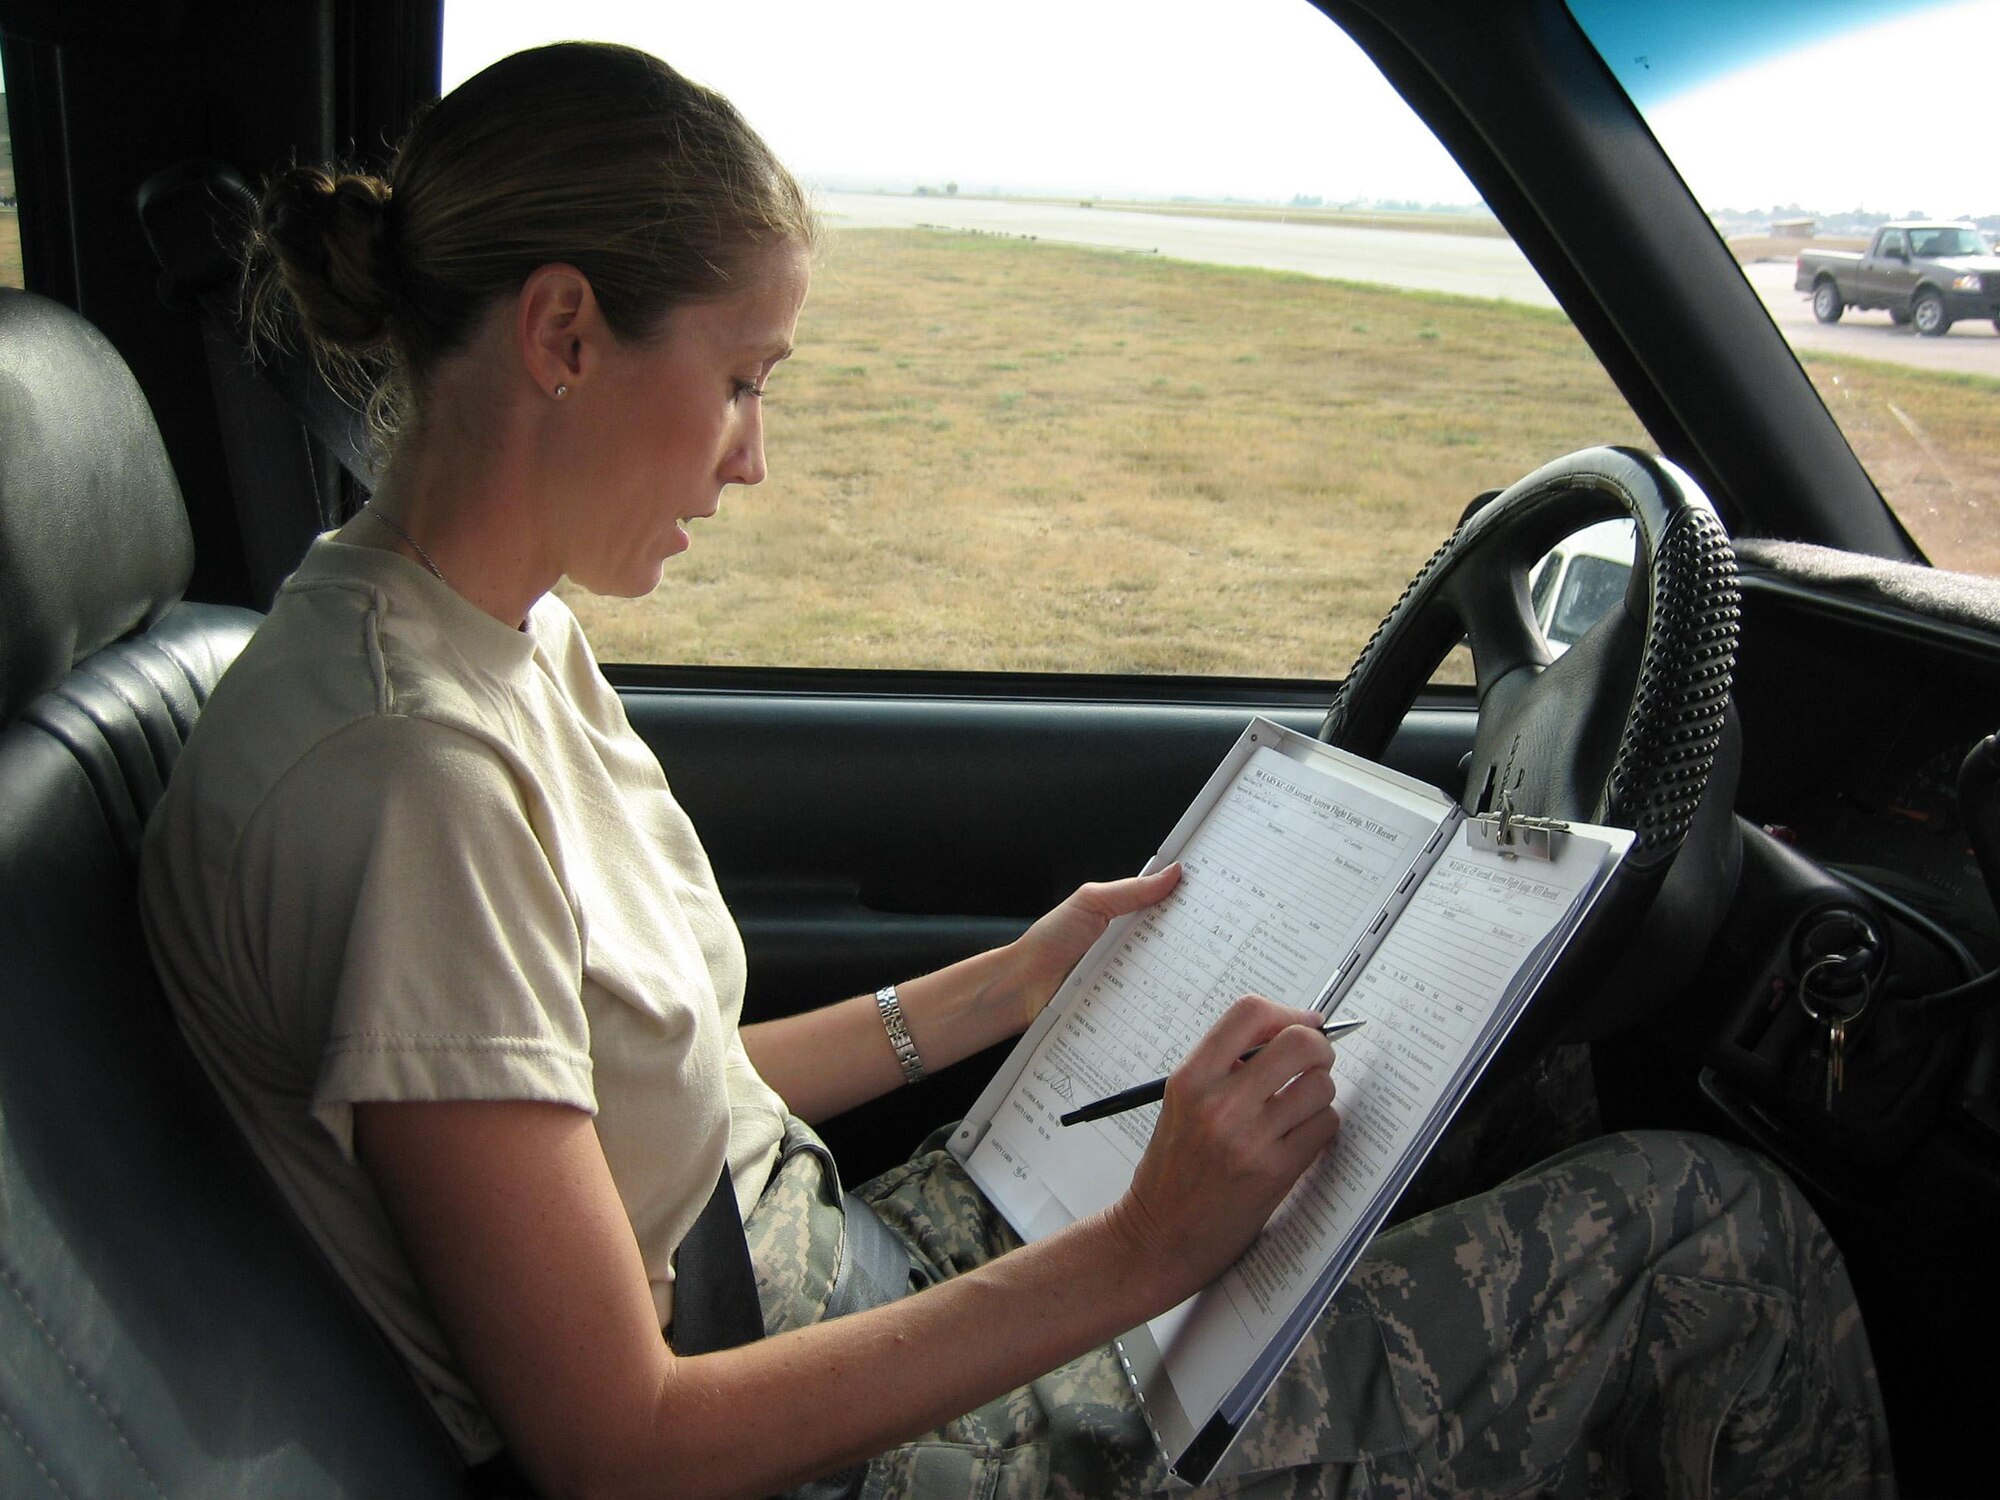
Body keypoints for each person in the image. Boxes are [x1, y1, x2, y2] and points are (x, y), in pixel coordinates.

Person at [139, 41, 1894, 1500]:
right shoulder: (407, 783)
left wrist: (1020, 980)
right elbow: (619, 1444)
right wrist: (1147, 1250)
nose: (755, 460)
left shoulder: (484, 633)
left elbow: (634, 1092)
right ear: (566, 333)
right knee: (1709, 1231)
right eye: (743, 380)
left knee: (1510, 1089)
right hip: (808, 1441)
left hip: (834, 1267)